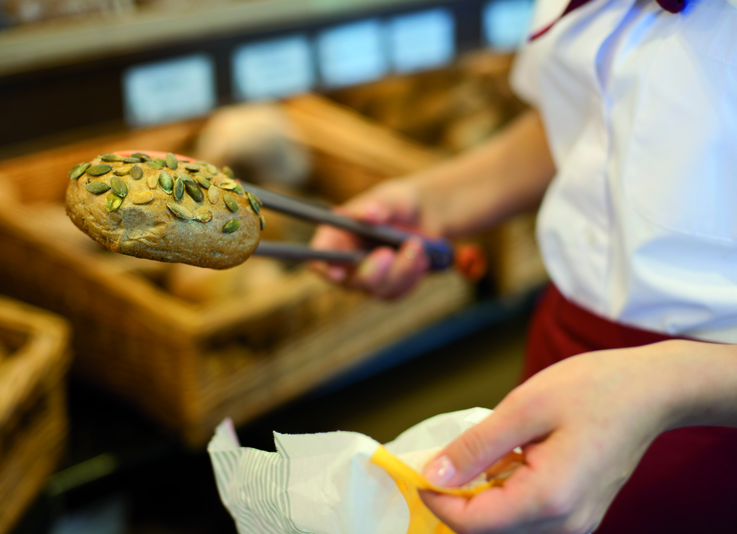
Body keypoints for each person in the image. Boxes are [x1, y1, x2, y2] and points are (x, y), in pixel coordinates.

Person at [310, 0, 737, 531]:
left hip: (713, 426)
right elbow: (593, 116)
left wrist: (664, 387)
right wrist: (437, 199)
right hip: (560, 356)